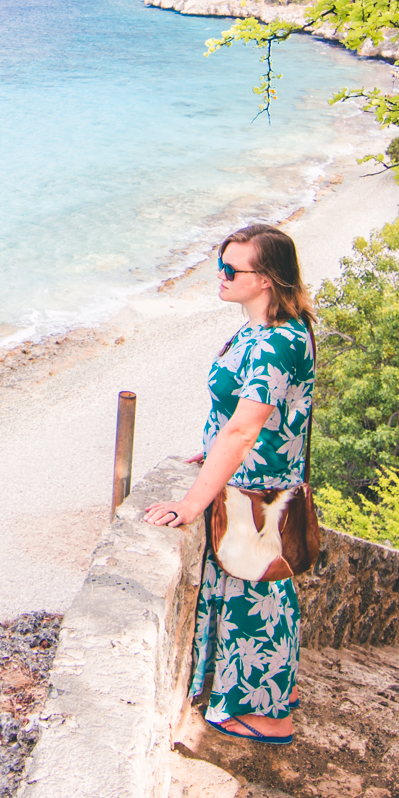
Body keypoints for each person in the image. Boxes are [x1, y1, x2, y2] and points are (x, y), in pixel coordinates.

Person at [142, 223, 316, 745]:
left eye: (232, 269)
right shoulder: (266, 329)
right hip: (251, 484)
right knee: (247, 594)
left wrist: (193, 502)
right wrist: (211, 447)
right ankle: (255, 697)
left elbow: (246, 428)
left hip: (257, 493)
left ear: (265, 279)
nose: (220, 275)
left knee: (259, 599)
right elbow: (235, 418)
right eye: (221, 263)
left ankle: (268, 716)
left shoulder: (275, 344)